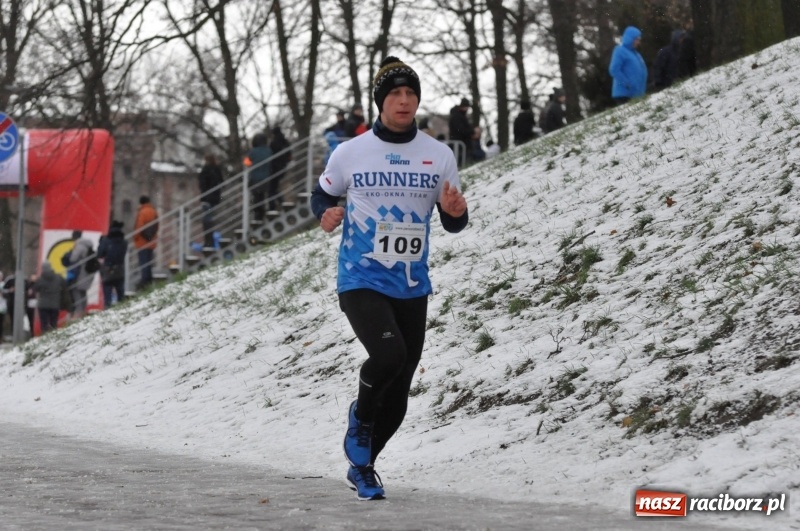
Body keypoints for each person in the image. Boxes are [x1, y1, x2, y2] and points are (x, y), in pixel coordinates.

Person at [311, 56, 469, 501]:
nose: (404, 101)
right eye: (395, 94)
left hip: (411, 282)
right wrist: (325, 213)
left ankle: (363, 467)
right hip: (360, 278)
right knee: (388, 354)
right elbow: (321, 193)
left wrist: (457, 213)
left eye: (410, 93)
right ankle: (360, 416)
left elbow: (453, 219)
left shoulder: (438, 155)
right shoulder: (351, 152)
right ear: (380, 102)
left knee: (399, 395)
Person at [609, 26, 647, 105]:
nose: (638, 42)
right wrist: (627, 84)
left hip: (636, 94)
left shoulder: (636, 53)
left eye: (639, 40)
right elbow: (614, 69)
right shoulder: (620, 50)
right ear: (630, 38)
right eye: (637, 39)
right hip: (624, 94)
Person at [97, 220, 128, 308]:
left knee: (107, 294)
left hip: (108, 269)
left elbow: (100, 254)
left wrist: (101, 242)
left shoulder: (106, 241)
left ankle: (108, 309)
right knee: (120, 292)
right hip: (120, 269)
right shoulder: (124, 242)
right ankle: (122, 308)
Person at [67, 230, 97, 319]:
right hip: (87, 273)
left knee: (76, 292)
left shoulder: (79, 246)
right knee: (83, 293)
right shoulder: (88, 245)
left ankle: (78, 314)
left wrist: (71, 252)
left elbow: (73, 258)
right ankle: (83, 311)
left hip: (81, 273)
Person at [243, 133, 273, 222]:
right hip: (266, 178)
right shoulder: (269, 151)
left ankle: (258, 216)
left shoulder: (253, 152)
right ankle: (262, 214)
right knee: (262, 197)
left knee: (256, 198)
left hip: (255, 178)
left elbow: (246, 163)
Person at [198, 154, 224, 248]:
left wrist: (205, 194)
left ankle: (208, 241)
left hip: (207, 198)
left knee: (207, 220)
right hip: (214, 198)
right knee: (209, 219)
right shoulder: (216, 169)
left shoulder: (206, 170)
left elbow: (203, 184)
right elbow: (221, 182)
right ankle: (210, 241)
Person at [133, 196, 159, 289]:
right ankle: (149, 279)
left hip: (142, 242)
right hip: (151, 241)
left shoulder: (142, 212)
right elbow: (157, 225)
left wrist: (135, 237)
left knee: (143, 262)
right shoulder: (153, 211)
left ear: (141, 203)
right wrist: (152, 236)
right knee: (148, 262)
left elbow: (139, 226)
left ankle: (144, 281)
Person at [34, 262, 66, 334]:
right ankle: (53, 336)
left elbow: (36, 288)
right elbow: (64, 286)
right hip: (55, 304)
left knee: (44, 323)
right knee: (53, 322)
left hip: (43, 304)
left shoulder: (40, 279)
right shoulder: (58, 277)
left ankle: (44, 334)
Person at [269, 127, 292, 211]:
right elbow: (289, 155)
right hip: (282, 167)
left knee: (272, 189)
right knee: (274, 188)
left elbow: (271, 154)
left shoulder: (274, 143)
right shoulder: (285, 142)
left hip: (274, 168)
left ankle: (273, 206)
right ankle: (280, 202)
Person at [448, 98, 472, 164]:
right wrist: (471, 132)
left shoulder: (460, 116)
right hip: (459, 144)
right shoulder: (457, 116)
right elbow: (460, 130)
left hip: (460, 144)